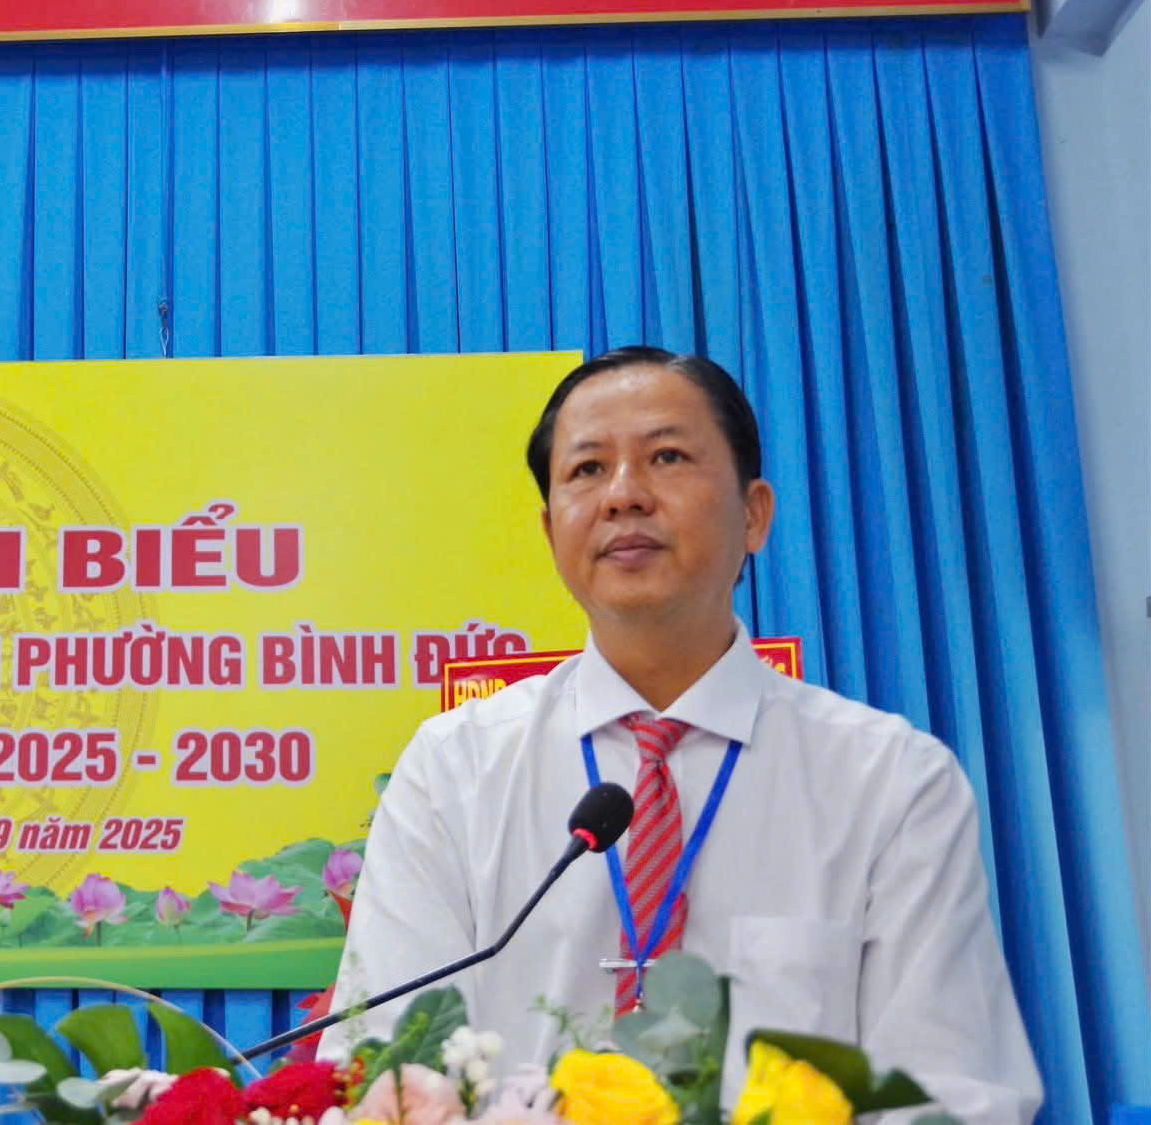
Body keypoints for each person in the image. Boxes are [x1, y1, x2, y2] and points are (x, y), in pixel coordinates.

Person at [323, 346, 1042, 1122]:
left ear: (754, 514)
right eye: (587, 470)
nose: (623, 496)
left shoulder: (890, 780)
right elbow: (384, 1068)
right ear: (551, 530)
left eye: (666, 457)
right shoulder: (454, 770)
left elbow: (951, 1092)